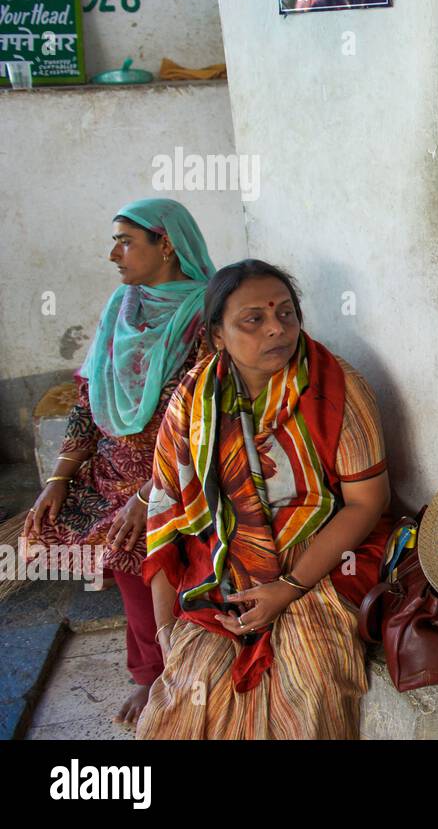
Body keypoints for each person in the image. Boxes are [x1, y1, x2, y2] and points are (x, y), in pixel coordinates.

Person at [136, 260, 391, 739]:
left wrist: (287, 587)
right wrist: (167, 629)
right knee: (191, 690)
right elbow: (167, 517)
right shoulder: (192, 404)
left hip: (322, 559)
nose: (277, 328)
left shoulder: (336, 388)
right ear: (217, 335)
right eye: (253, 319)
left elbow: (367, 502)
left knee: (311, 678)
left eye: (286, 314)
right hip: (220, 569)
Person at [22, 198, 215, 727]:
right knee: (57, 533)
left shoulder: (206, 314)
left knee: (148, 552)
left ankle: (172, 673)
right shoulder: (121, 308)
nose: (113, 254)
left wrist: (145, 494)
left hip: (178, 473)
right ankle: (151, 670)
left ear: (167, 245)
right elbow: (88, 401)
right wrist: (60, 476)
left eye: (126, 241)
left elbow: (201, 420)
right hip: (109, 469)